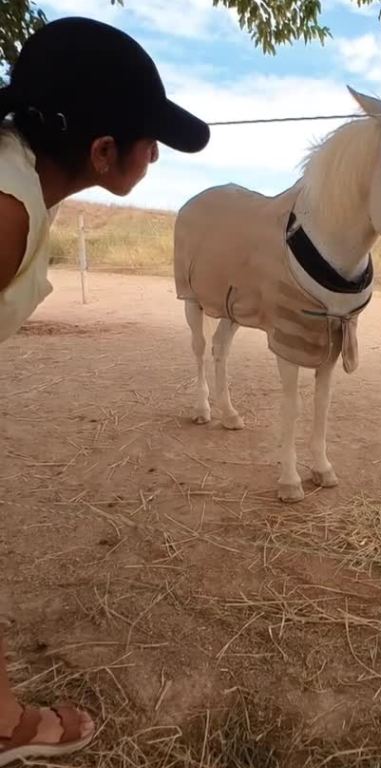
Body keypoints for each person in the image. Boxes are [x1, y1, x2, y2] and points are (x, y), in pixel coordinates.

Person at [0, 16, 209, 765]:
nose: (155, 155)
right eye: (148, 141)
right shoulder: (8, 208)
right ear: (100, 151)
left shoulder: (22, 182)